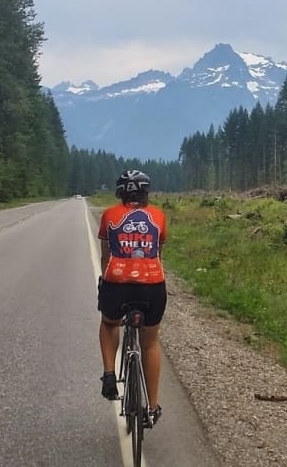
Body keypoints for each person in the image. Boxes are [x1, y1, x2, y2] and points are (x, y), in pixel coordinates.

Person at [97, 169, 167, 427]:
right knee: (150, 343)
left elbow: (105, 256)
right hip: (152, 285)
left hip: (117, 284)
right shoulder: (158, 216)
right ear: (146, 192)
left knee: (109, 323)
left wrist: (105, 281)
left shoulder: (109, 215)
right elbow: (158, 252)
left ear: (120, 193)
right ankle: (152, 407)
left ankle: (109, 373)